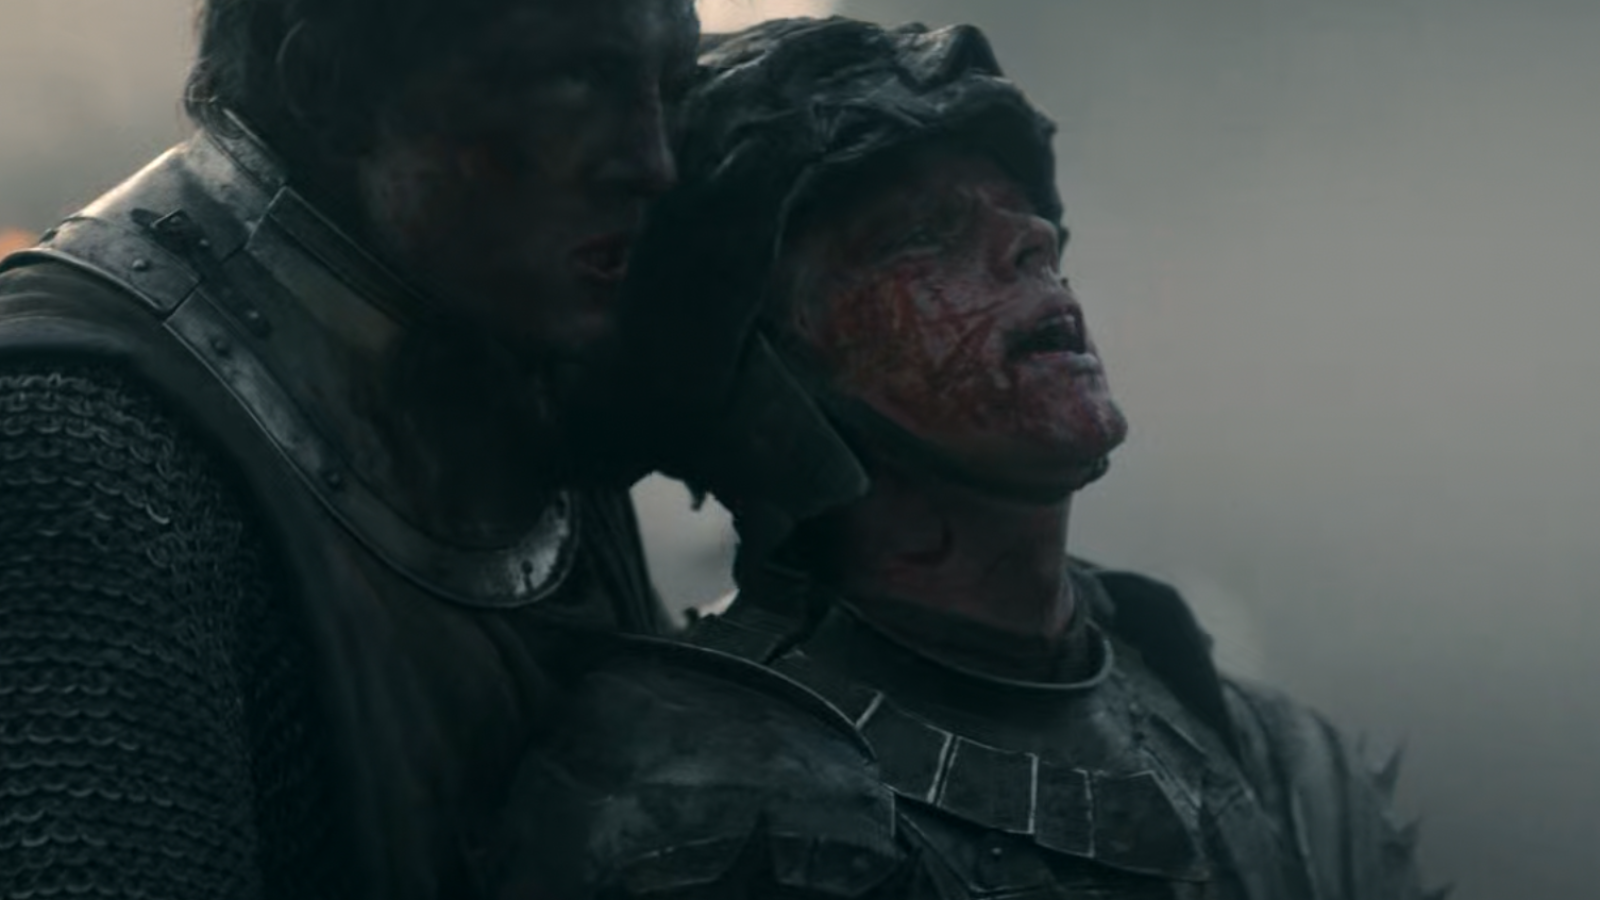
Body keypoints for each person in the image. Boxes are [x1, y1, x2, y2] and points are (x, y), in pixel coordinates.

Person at [486, 18, 1449, 900]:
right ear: (763, 373)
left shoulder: (1279, 768)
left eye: (1022, 210)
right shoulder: (694, 799)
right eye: (920, 235)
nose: (1031, 239)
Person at [0, 0, 717, 897]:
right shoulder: (80, 447)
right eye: (575, 79)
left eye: (672, 86)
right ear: (329, 86)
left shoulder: (510, 352)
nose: (653, 163)